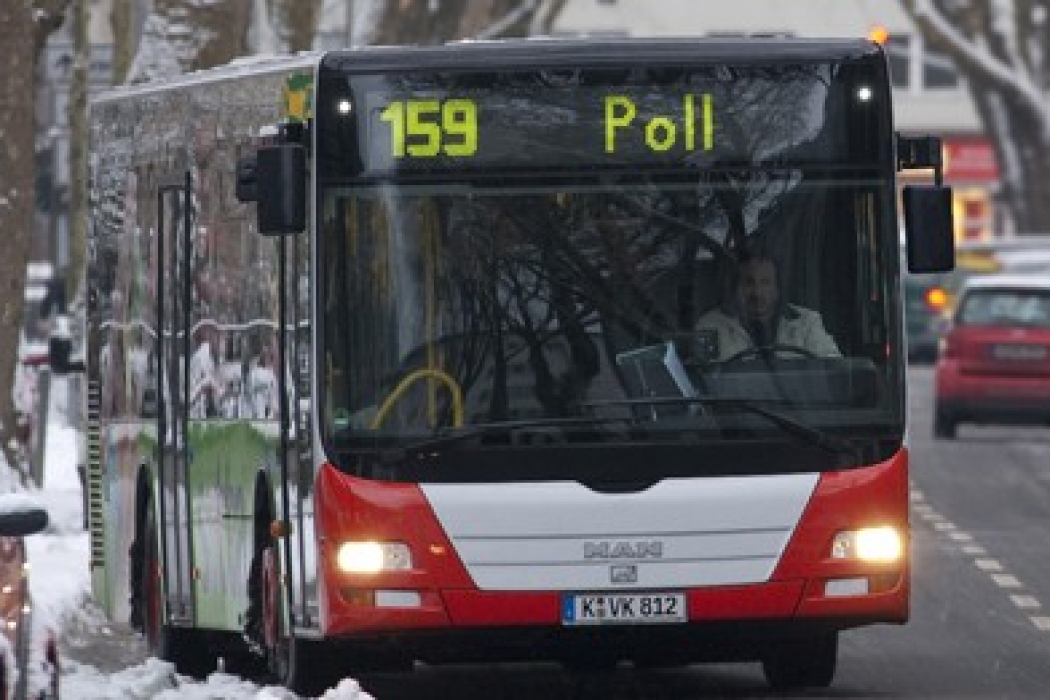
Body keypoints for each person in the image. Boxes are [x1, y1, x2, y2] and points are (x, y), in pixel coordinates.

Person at [696, 250, 840, 362]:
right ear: (736, 287)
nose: (757, 293)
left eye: (765, 282)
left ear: (778, 287)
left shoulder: (807, 322)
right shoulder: (711, 326)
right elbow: (701, 380)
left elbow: (832, 369)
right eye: (748, 282)